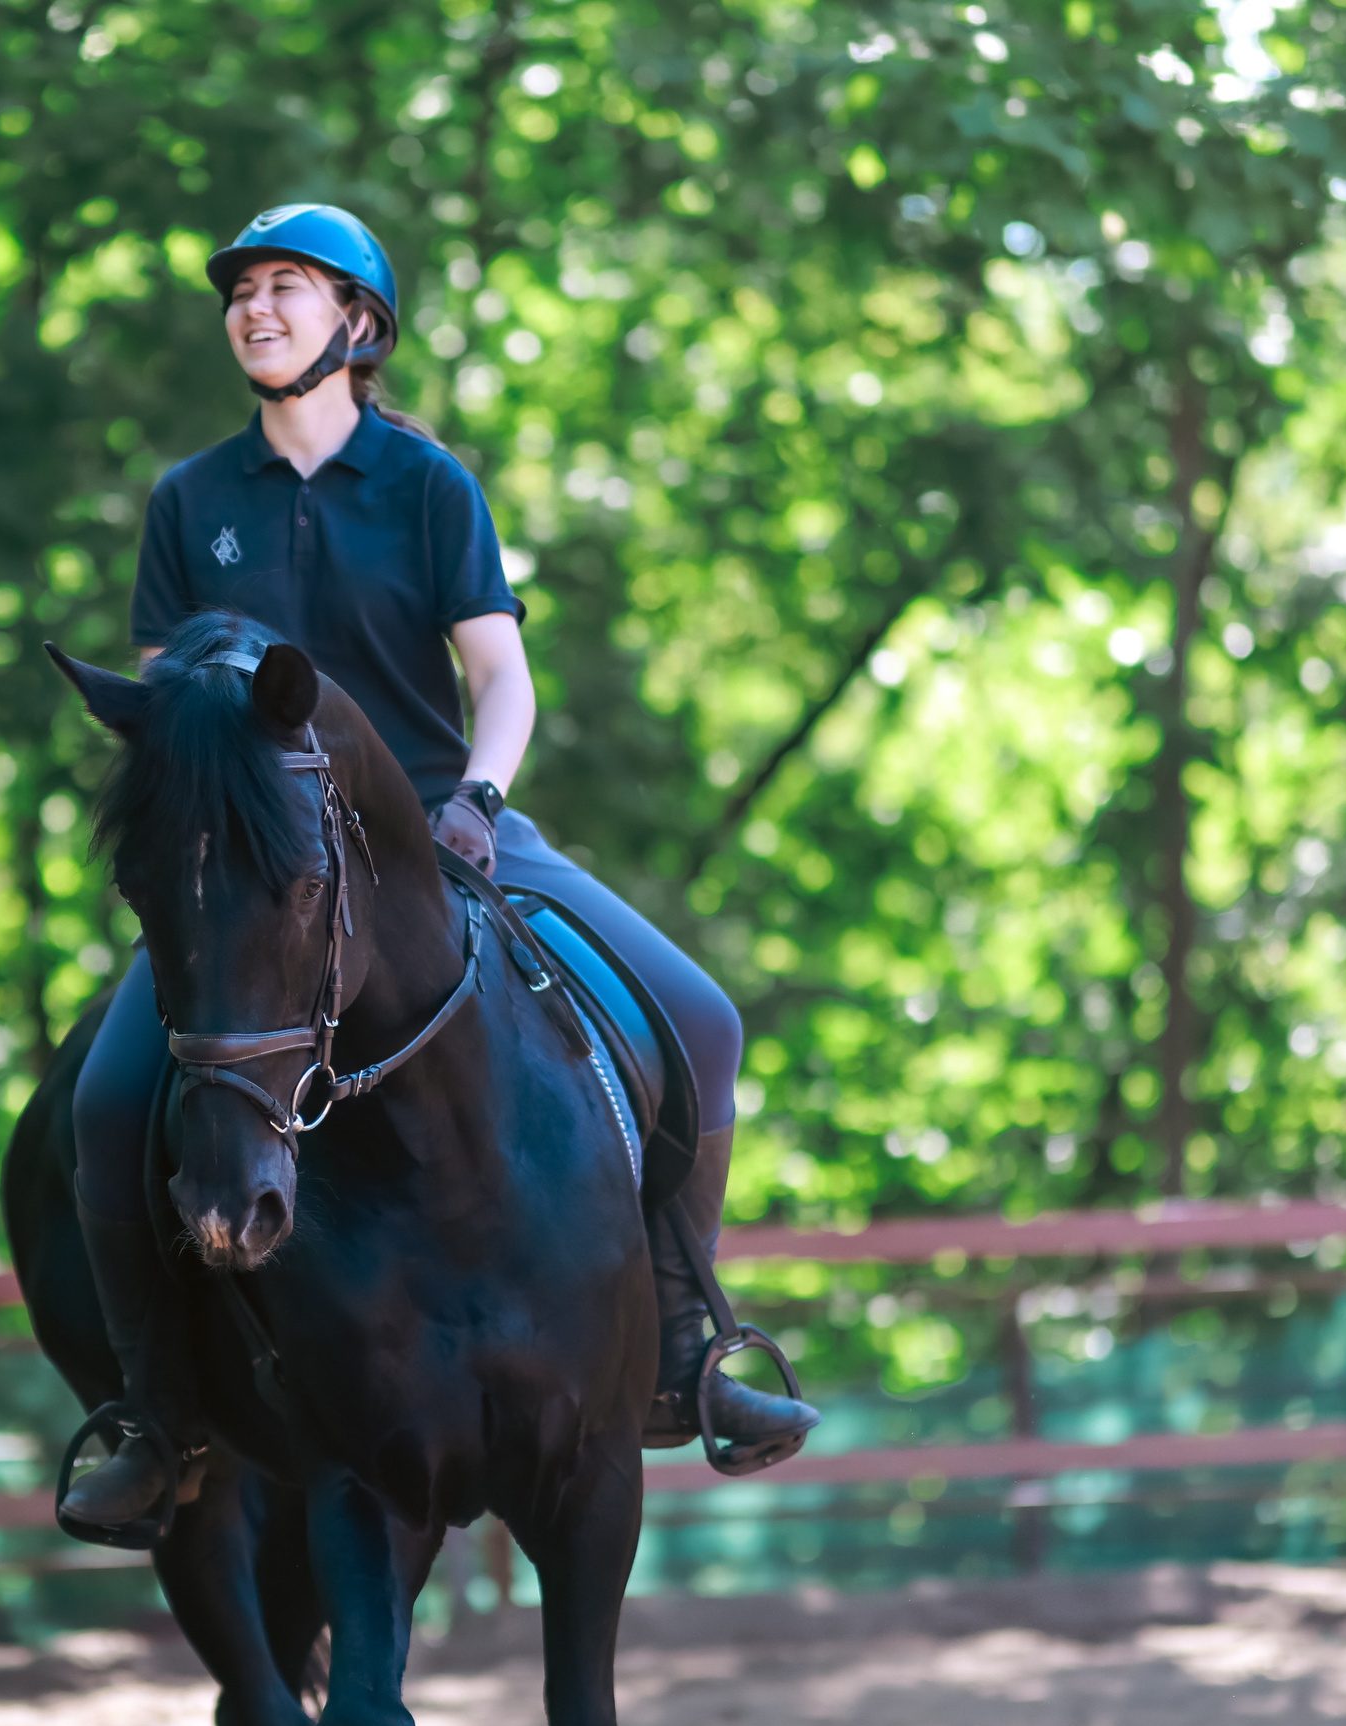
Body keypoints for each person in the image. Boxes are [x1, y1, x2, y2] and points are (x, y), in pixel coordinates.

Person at [61, 204, 817, 1537]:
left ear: (357, 324)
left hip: (440, 831)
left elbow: (502, 678)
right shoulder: (189, 503)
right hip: (255, 873)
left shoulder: (427, 487)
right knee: (109, 1108)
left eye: (288, 286)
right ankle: (155, 1413)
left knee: (702, 1018)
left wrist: (480, 798)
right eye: (242, 289)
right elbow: (184, 714)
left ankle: (690, 1344)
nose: (255, 305)